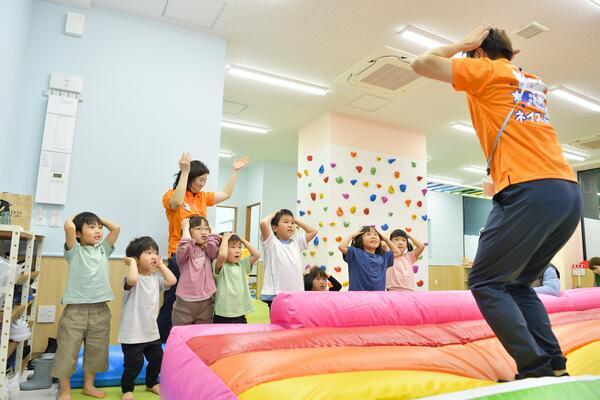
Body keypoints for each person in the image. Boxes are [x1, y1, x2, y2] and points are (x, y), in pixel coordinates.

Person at [411, 25, 581, 379]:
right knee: (518, 284)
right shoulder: (530, 80)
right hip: (566, 192)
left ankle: (534, 367)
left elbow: (421, 63)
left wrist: (463, 43)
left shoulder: (487, 69)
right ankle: (554, 365)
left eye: (472, 55)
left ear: (480, 54)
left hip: (530, 189)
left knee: (485, 281)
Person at [157, 152, 249, 341]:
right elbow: (176, 201)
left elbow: (227, 194)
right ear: (190, 177)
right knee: (173, 300)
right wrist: (185, 171)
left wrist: (234, 171)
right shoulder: (171, 195)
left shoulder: (202, 197)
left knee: (204, 300)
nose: (203, 183)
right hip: (180, 254)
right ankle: (164, 342)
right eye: (200, 179)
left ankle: (196, 341)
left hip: (203, 255)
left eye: (205, 180)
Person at [52, 212, 120, 400]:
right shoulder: (74, 251)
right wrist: (77, 218)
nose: (98, 230)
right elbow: (69, 227)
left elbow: (116, 228)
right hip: (75, 311)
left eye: (99, 227)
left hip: (100, 309)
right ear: (79, 234)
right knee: (67, 350)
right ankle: (65, 390)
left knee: (96, 350)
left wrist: (99, 219)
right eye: (91, 227)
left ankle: (88, 386)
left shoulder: (103, 250)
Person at [119, 237, 177, 400]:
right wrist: (131, 263)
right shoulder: (130, 279)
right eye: (148, 253)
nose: (154, 256)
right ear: (136, 259)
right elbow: (132, 279)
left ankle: (151, 383)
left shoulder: (155, 279)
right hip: (132, 334)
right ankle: (127, 389)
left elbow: (172, 280)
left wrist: (160, 265)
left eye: (156, 253)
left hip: (151, 332)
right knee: (133, 364)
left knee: (158, 359)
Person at [259, 209, 318, 310]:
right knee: (278, 323)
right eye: (285, 222)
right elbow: (264, 223)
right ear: (275, 228)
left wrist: (296, 220)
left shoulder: (296, 243)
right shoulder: (271, 243)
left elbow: (313, 231)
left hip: (295, 292)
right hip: (276, 292)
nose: (290, 225)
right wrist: (273, 215)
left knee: (294, 322)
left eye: (292, 223)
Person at [172, 216, 220, 326]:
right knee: (182, 333)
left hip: (206, 301)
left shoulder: (208, 250)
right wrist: (185, 227)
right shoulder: (185, 252)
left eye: (206, 229)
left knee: (203, 335)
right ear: (188, 232)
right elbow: (184, 244)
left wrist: (211, 230)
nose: (203, 232)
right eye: (198, 229)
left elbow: (214, 243)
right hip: (185, 301)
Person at [212, 232, 260, 323]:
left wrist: (242, 240)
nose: (237, 250)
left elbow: (256, 254)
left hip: (240, 312)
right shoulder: (219, 264)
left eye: (239, 247)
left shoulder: (242, 264)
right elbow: (222, 255)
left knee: (241, 336)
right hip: (222, 314)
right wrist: (225, 239)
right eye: (233, 247)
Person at [339, 226, 402, 291]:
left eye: (376, 234)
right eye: (368, 234)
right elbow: (342, 247)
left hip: (378, 297)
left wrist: (386, 239)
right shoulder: (355, 253)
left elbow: (397, 252)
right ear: (360, 239)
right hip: (357, 298)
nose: (373, 236)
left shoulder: (383, 256)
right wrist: (352, 236)